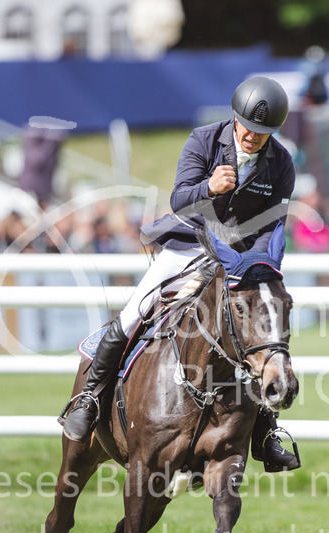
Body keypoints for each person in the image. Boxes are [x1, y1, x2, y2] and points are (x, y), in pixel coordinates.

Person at [60, 76, 300, 471]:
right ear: (235, 118)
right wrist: (209, 187)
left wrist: (253, 265)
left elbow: (273, 223)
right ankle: (89, 399)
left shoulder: (282, 163)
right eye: (247, 128)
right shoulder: (204, 140)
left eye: (262, 133)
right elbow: (178, 199)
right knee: (135, 312)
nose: (253, 138)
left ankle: (266, 433)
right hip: (190, 245)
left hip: (241, 258)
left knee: (260, 332)